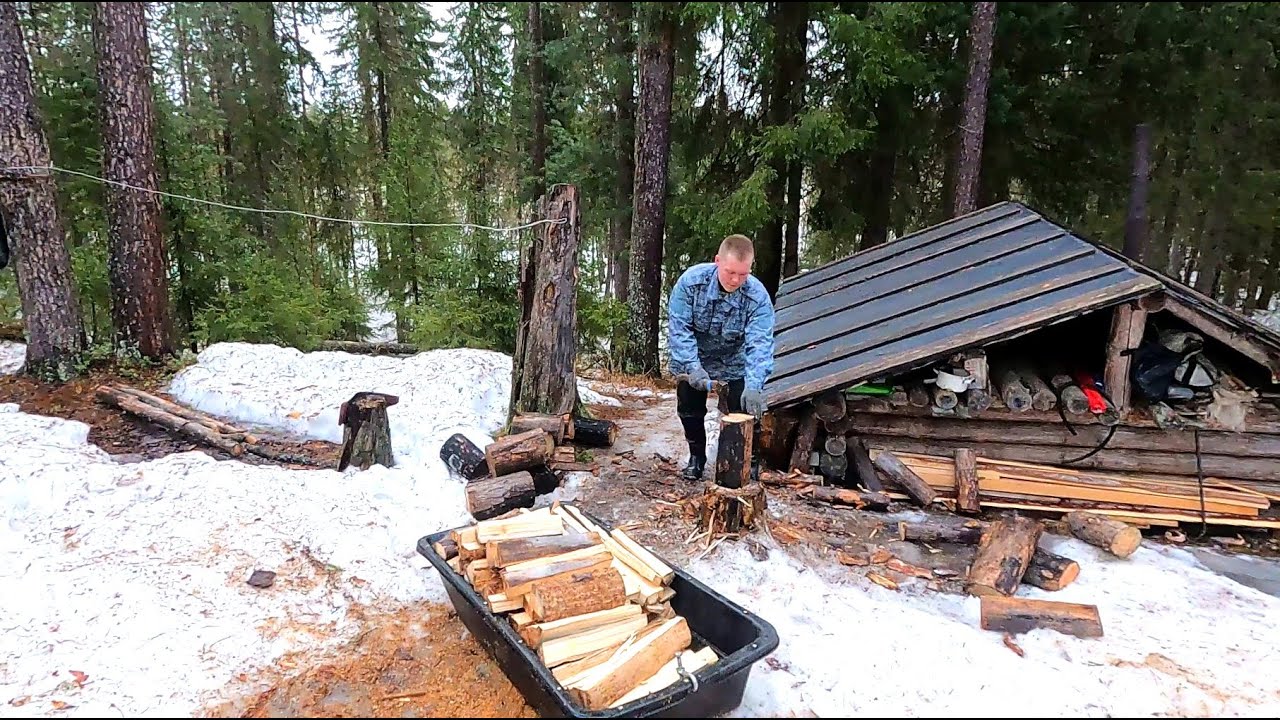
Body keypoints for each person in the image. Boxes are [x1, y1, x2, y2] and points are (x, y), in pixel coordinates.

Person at [666, 234, 776, 481]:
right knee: (689, 408)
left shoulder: (757, 297)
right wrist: (692, 367)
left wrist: (755, 384)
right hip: (694, 358)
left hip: (735, 360)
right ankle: (696, 458)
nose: (736, 280)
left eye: (743, 274)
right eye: (730, 272)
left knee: (745, 412)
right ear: (717, 261)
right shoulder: (690, 283)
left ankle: (748, 462)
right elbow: (679, 329)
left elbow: (760, 342)